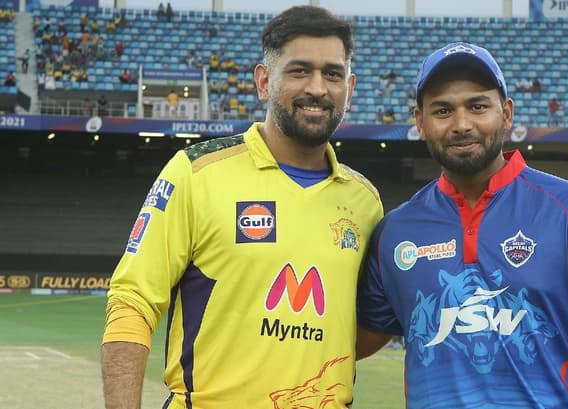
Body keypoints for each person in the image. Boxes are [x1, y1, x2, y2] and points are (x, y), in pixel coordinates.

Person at [101, 6, 383, 409]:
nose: (318, 88)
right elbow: (132, 301)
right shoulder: (195, 173)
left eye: (333, 74)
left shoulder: (365, 202)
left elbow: (361, 326)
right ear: (264, 82)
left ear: (349, 89)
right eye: (299, 71)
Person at [356, 42, 568, 408]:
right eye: (443, 110)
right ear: (420, 122)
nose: (461, 124)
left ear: (506, 113)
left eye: (478, 106)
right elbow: (354, 342)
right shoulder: (395, 231)